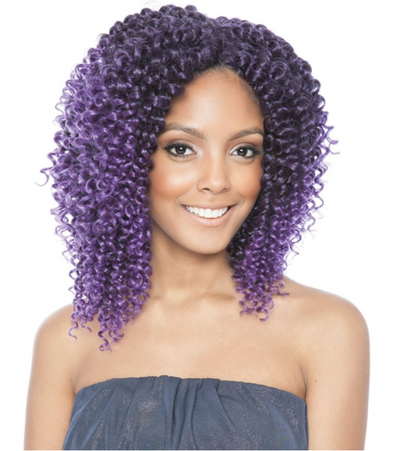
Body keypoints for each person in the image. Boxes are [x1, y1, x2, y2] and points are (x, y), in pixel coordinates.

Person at [24, 4, 369, 450]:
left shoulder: (326, 330)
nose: (216, 181)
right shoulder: (68, 338)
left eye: (244, 151)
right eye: (181, 148)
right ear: (125, 157)